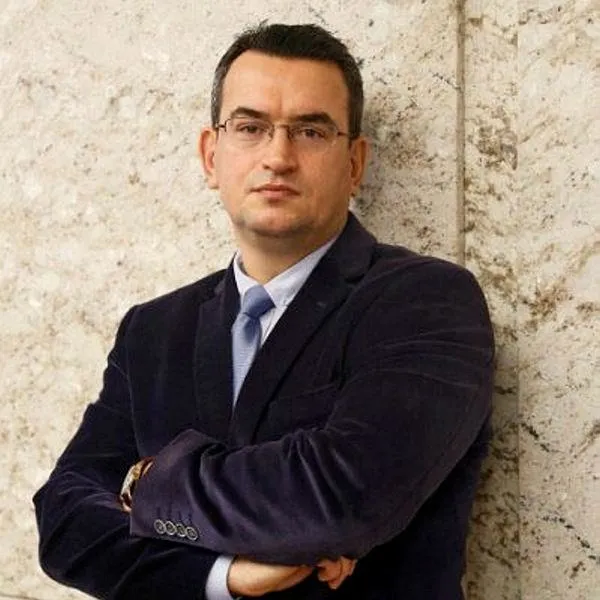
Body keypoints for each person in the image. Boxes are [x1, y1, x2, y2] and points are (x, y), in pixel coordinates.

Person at [33, 23, 494, 600]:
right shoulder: (153, 331)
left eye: (310, 131)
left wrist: (144, 485)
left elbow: (337, 500)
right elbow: (64, 522)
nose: (278, 156)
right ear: (211, 155)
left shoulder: (426, 301)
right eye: (251, 128)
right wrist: (222, 575)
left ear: (355, 163)